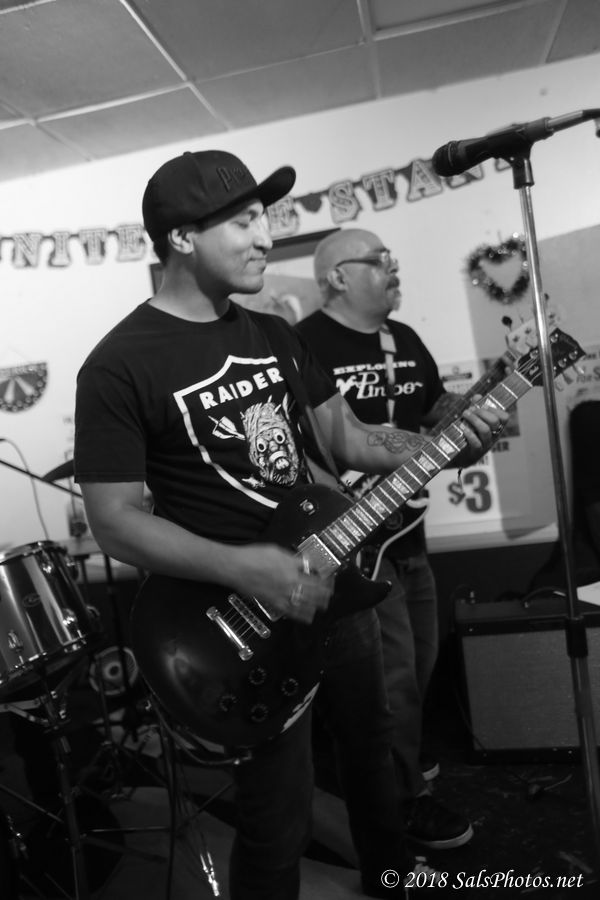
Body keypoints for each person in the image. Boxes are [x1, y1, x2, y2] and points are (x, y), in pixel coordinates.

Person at [73, 151, 506, 899]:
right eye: (244, 221)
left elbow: (347, 438)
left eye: (265, 218)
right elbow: (113, 523)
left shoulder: (274, 333)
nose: (266, 237)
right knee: (277, 814)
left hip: (334, 585)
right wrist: (248, 568)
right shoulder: (118, 365)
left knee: (372, 756)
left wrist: (434, 445)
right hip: (239, 620)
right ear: (182, 237)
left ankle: (390, 876)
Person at [297, 228, 496, 853]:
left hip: (409, 533)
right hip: (354, 540)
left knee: (421, 664)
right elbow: (307, 443)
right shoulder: (304, 343)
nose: (393, 268)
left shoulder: (402, 339)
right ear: (337, 277)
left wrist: (484, 402)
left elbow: (435, 410)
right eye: (379, 260)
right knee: (393, 680)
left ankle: (399, 764)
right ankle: (403, 799)